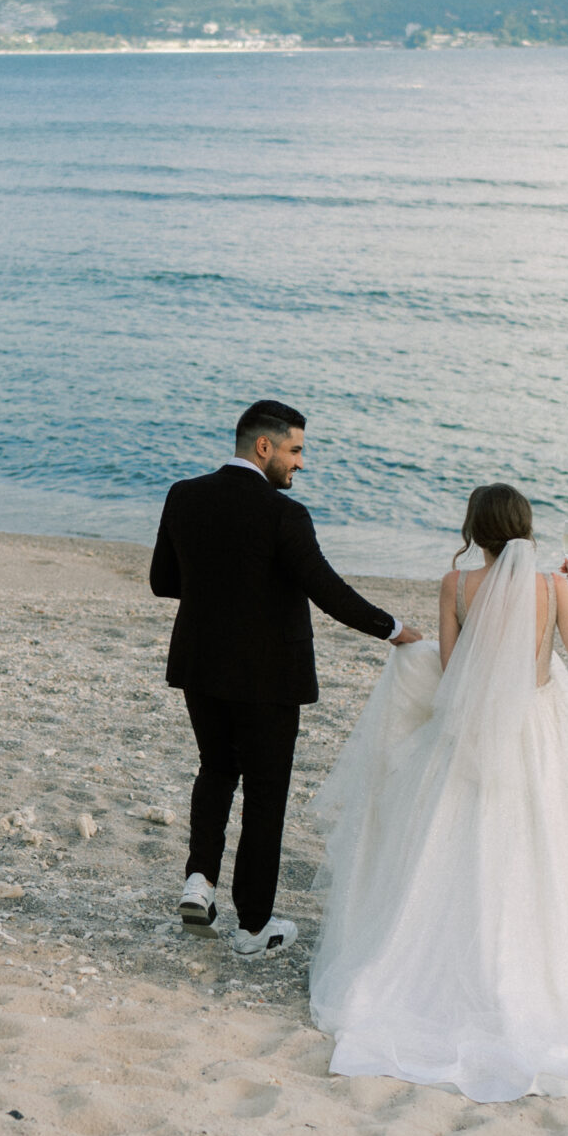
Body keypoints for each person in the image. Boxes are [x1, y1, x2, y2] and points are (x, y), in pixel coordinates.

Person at [306, 482, 568, 1111]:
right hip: (541, 727)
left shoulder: (455, 586)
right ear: (526, 529)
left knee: (457, 841)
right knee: (551, 840)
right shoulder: (553, 588)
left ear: (474, 531)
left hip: (470, 732)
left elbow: (453, 672)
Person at [149, 401, 427, 958]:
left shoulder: (184, 495)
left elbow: (163, 580)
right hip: (269, 678)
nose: (301, 463)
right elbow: (327, 590)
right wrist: (394, 629)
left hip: (201, 665)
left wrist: (225, 591)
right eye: (295, 450)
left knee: (216, 769)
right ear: (264, 446)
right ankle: (254, 927)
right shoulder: (284, 515)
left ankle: (199, 882)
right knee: (265, 794)